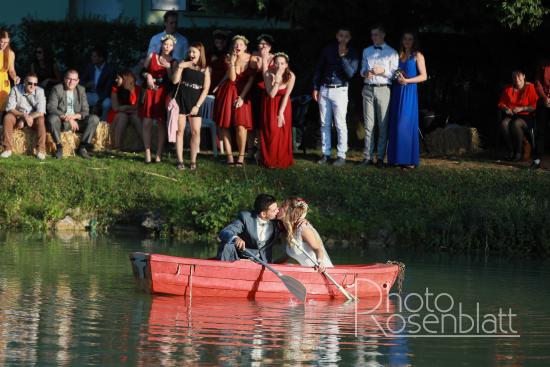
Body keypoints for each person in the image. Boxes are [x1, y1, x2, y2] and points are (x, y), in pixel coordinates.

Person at [312, 27, 360, 166]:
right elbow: (319, 68)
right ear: (337, 36)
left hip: (340, 90)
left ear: (350, 38)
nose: (343, 38)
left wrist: (343, 57)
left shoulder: (353, 52)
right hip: (324, 89)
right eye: (341, 35)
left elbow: (351, 73)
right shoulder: (328, 49)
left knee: (340, 123)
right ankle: (325, 153)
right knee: (324, 124)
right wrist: (315, 87)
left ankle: (341, 155)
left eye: (346, 36)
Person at [213, 35, 256, 166]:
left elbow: (251, 80)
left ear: (245, 47)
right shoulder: (228, 57)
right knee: (224, 124)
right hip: (228, 91)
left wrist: (242, 97)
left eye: (241, 45)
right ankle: (230, 156)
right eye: (236, 44)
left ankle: (241, 156)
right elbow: (231, 78)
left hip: (243, 93)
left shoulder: (251, 59)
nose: (238, 47)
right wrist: (232, 62)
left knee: (241, 125)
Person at [387, 31, 427, 169]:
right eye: (405, 39)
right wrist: (396, 78)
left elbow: (424, 76)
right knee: (396, 122)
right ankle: (396, 159)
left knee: (405, 124)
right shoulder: (398, 56)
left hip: (409, 92)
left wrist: (408, 80)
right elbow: (392, 72)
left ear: (414, 41)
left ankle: (408, 160)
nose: (407, 41)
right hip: (397, 91)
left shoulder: (418, 55)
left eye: (410, 39)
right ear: (402, 40)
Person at [360, 24, 398, 168]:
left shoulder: (392, 52)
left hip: (384, 89)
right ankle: (367, 157)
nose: (373, 37)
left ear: (383, 35)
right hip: (368, 88)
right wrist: (364, 73)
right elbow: (362, 69)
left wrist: (382, 71)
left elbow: (395, 74)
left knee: (383, 125)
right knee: (369, 125)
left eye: (376, 34)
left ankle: (380, 158)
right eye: (372, 35)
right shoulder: (366, 51)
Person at [171, 42, 211, 170]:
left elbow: (205, 90)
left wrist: (197, 106)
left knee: (195, 132)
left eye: (194, 52)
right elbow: (175, 81)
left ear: (200, 53)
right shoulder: (183, 64)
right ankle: (180, 160)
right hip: (181, 100)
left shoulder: (205, 69)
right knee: (180, 131)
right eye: (190, 52)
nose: (191, 54)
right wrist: (180, 67)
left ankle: (193, 161)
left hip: (194, 103)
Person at [47, 69, 100, 159]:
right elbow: (51, 107)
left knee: (94, 119)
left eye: (74, 79)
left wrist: (75, 117)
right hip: (62, 122)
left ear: (77, 81)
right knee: (52, 119)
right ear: (64, 79)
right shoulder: (57, 89)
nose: (71, 82)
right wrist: (67, 118)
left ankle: (82, 148)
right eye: (69, 79)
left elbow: (85, 110)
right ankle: (59, 147)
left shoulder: (81, 90)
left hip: (78, 123)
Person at [141, 34, 177, 163]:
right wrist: (148, 76)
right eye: (165, 44)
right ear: (161, 44)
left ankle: (159, 153)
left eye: (170, 45)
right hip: (151, 92)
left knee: (161, 123)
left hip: (163, 94)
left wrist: (168, 67)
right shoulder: (152, 56)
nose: (167, 47)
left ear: (173, 47)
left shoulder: (173, 62)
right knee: (147, 123)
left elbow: (173, 81)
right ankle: (147, 152)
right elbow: (142, 72)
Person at [217, 193, 281, 262]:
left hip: (263, 261)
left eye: (277, 208)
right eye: (274, 210)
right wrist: (236, 238)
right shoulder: (246, 218)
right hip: (242, 257)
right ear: (263, 214)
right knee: (227, 244)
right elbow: (225, 232)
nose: (278, 211)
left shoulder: (278, 221)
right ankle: (222, 270)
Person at [258, 52, 295, 168]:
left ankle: (281, 159)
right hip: (270, 105)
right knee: (271, 130)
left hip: (283, 106)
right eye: (277, 63)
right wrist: (277, 80)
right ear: (273, 64)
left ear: (286, 65)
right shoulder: (268, 73)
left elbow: (287, 95)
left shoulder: (291, 76)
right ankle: (269, 160)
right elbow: (272, 94)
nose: (279, 66)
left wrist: (281, 113)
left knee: (282, 131)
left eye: (282, 63)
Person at [277, 197, 333, 272]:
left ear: (291, 210)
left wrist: (320, 262)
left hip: (321, 271)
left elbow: (318, 249)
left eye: (282, 206)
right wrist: (270, 263)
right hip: (309, 273)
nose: (278, 208)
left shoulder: (302, 229)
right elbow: (288, 255)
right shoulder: (286, 231)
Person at [1, 73, 47, 160]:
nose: (32, 86)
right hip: (18, 116)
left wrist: (27, 118)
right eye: (30, 83)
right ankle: (7, 149)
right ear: (24, 82)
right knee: (8, 117)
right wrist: (23, 116)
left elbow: (41, 112)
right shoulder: (15, 89)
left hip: (33, 118)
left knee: (41, 119)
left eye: (35, 84)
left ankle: (40, 150)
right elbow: (10, 108)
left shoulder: (40, 91)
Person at [498, 69, 539, 161]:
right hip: (512, 114)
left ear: (524, 76)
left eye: (519, 76)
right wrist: (506, 109)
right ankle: (511, 151)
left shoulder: (530, 87)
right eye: (514, 77)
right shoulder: (508, 89)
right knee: (504, 124)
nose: (517, 79)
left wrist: (522, 108)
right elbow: (501, 103)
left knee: (515, 124)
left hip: (526, 115)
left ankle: (518, 153)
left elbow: (534, 107)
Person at [249, 33, 275, 160]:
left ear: (270, 46)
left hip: (267, 91)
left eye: (265, 44)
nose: (263, 46)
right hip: (254, 90)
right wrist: (262, 58)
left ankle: (261, 148)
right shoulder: (254, 55)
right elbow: (257, 68)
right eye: (261, 43)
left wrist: (265, 58)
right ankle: (252, 148)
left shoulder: (275, 58)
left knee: (263, 120)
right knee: (253, 120)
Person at [79, 46, 117, 121]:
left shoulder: (110, 69)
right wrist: (86, 84)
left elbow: (107, 90)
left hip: (103, 96)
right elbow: (80, 80)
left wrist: (97, 105)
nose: (92, 58)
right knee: (79, 99)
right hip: (92, 94)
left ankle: (104, 124)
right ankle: (81, 121)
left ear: (101, 58)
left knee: (107, 104)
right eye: (92, 56)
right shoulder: (91, 67)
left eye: (94, 56)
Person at [109, 70, 142, 150]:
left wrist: (125, 108)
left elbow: (137, 106)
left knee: (136, 118)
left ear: (125, 79)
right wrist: (128, 108)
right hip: (118, 114)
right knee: (123, 117)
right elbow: (115, 107)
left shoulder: (138, 89)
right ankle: (117, 146)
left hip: (132, 112)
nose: (116, 80)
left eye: (118, 78)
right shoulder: (115, 89)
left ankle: (146, 146)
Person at [533, 59, 550, 169]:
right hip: (543, 103)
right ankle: (537, 160)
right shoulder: (543, 65)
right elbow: (537, 83)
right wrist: (545, 98)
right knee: (540, 131)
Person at [0, 31, 19, 121]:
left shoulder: (11, 53)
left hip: (4, 83)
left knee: (2, 108)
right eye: (1, 41)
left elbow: (11, 70)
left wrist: (15, 77)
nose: (3, 44)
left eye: (6, 42)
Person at [208, 29, 230, 94]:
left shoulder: (228, 55)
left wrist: (219, 85)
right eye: (217, 42)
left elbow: (228, 72)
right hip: (210, 81)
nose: (219, 44)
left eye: (221, 42)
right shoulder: (209, 52)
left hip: (222, 82)